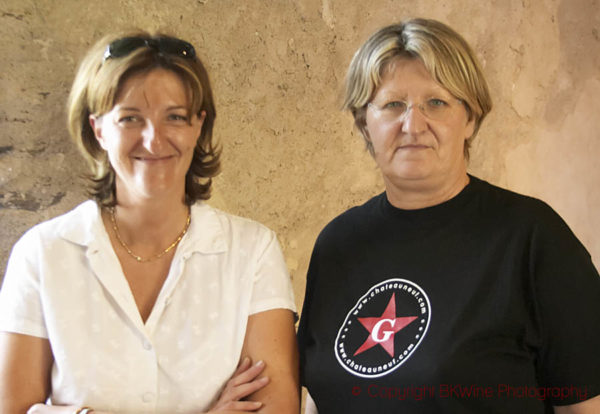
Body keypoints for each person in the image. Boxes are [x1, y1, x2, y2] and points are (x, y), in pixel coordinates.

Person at [297, 18, 600, 414]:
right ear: (364, 124)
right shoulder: (337, 244)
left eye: (435, 103)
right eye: (392, 105)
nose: (413, 125)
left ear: (470, 118)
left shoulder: (532, 239)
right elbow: (321, 395)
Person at [0, 31, 299, 413]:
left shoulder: (252, 251)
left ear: (198, 126)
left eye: (174, 117)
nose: (154, 140)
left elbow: (274, 409)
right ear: (98, 130)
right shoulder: (41, 254)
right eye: (130, 119)